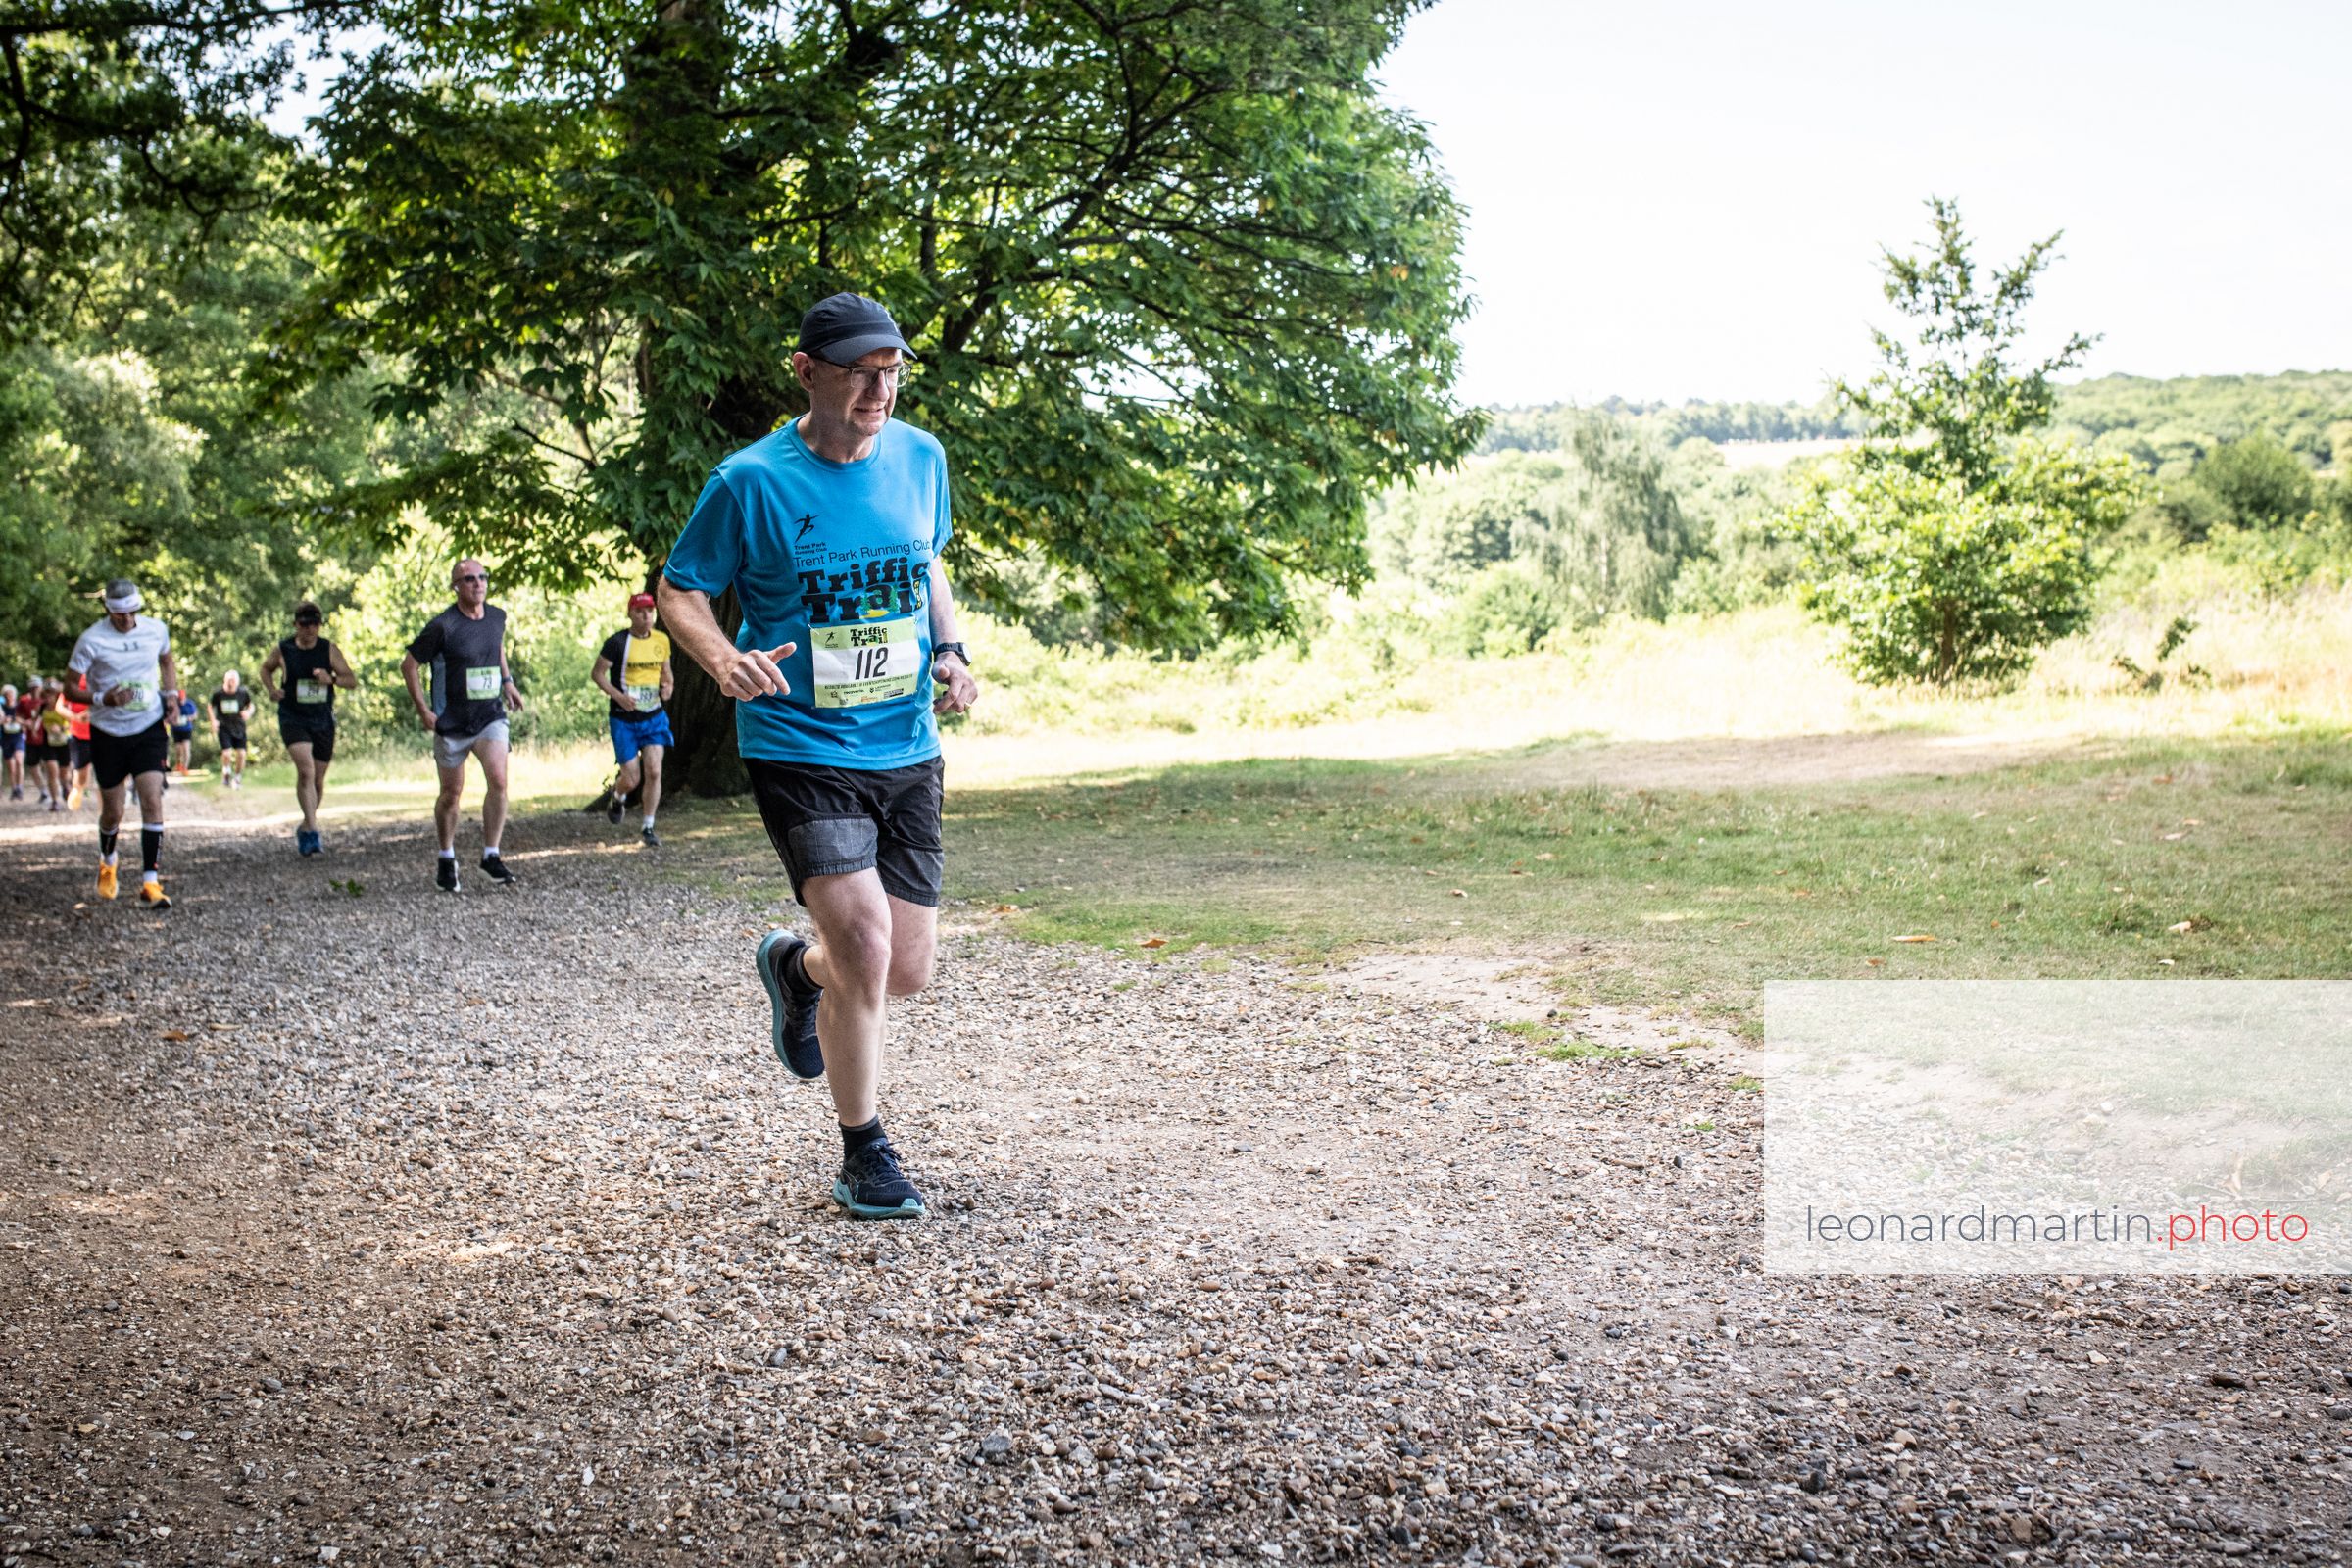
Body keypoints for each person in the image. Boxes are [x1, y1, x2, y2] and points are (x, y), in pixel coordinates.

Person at [659, 292, 979, 1222]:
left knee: (904, 969)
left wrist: (951, 649)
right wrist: (722, 658)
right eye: (859, 373)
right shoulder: (749, 481)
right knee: (867, 943)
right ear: (805, 372)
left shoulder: (921, 458)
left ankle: (797, 971)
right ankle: (863, 1151)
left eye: (892, 372)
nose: (880, 389)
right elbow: (680, 591)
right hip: (799, 742)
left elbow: (927, 563)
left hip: (905, 743)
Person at [402, 558, 525, 892]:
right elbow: (409, 666)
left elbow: (496, 647)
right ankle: (446, 856)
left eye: (482, 577)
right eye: (469, 579)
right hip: (452, 721)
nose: (478, 583)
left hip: (489, 716)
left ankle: (490, 856)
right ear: (456, 586)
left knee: (498, 779)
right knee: (450, 794)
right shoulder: (443, 626)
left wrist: (508, 682)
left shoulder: (496, 617)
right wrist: (424, 710)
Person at [66, 578, 177, 907]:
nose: (127, 620)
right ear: (108, 611)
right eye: (119, 615)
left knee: (152, 800)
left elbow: (167, 660)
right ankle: (108, 861)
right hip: (108, 732)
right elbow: (69, 688)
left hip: (148, 727)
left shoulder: (156, 630)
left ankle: (151, 883)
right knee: (112, 812)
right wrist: (103, 698)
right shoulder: (92, 640)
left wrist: (171, 696)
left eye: (132, 612)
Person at [261, 601, 357, 857]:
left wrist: (331, 679)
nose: (309, 629)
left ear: (319, 625)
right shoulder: (284, 649)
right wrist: (272, 689)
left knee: (317, 781)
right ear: (296, 625)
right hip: (293, 717)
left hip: (322, 719)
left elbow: (351, 680)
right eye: (304, 624)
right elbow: (265, 669)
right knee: (306, 771)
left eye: (314, 624)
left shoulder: (328, 650)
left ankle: (306, 825)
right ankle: (313, 831)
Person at [592, 591, 674, 848]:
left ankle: (648, 826)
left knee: (654, 770)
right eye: (640, 611)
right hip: (624, 719)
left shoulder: (661, 640)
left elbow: (667, 674)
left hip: (654, 717)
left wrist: (668, 688)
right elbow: (597, 674)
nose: (646, 616)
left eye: (650, 611)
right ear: (630, 614)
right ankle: (618, 796)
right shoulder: (617, 643)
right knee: (632, 778)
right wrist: (619, 697)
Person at [209, 671, 254, 787]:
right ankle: (226, 772)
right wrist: (213, 721)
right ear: (225, 680)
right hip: (224, 727)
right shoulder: (218, 693)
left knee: (242, 754)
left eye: (233, 681)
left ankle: (237, 777)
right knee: (227, 753)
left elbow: (251, 705)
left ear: (237, 682)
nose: (231, 683)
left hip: (239, 727)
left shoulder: (243, 693)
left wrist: (248, 712)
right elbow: (210, 706)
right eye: (229, 680)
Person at [34, 679, 72, 810]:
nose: (49, 696)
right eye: (47, 693)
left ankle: (65, 786)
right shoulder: (42, 707)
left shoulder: (63, 706)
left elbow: (72, 723)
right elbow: (36, 721)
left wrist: (60, 728)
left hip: (63, 742)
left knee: (63, 774)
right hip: (48, 743)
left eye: (52, 693)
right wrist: (35, 728)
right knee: (52, 771)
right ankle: (55, 800)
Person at [64, 686, 92, 809]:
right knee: (81, 775)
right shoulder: (75, 682)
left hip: (103, 734)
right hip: (79, 735)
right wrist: (75, 717)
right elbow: (60, 707)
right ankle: (76, 788)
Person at [169, 687, 198, 775]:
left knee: (186, 748)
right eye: (179, 699)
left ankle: (185, 768)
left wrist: (189, 718)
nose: (181, 701)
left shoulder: (190, 704)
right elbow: (169, 716)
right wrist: (173, 720)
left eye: (182, 699)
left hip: (187, 729)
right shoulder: (174, 705)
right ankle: (179, 765)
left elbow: (195, 715)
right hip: (176, 730)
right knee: (178, 750)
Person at [1, 683, 23, 801]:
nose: (9, 696)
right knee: (11, 766)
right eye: (7, 694)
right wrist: (4, 720)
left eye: (11, 694)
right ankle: (14, 788)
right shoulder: (2, 707)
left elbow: (25, 720)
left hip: (18, 737)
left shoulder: (19, 706)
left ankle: (19, 787)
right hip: (6, 738)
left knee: (19, 760)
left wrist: (17, 720)